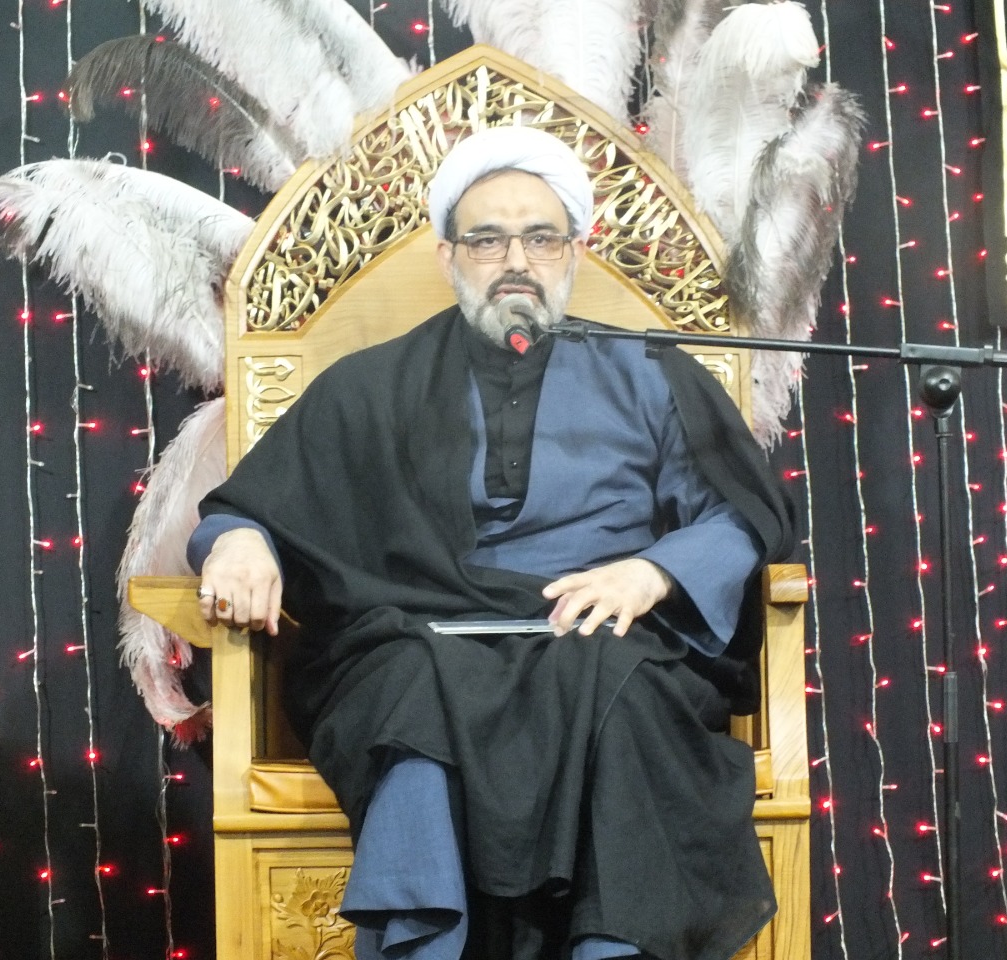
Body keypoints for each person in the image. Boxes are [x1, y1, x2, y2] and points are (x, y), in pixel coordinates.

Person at [187, 125, 794, 960]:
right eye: (487, 240)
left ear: (575, 251)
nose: (516, 261)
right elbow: (250, 506)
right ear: (448, 257)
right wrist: (238, 545)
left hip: (601, 640)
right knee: (409, 686)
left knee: (618, 688)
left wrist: (654, 573)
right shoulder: (370, 384)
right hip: (420, 641)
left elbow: (741, 515)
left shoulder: (653, 374)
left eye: (541, 238)